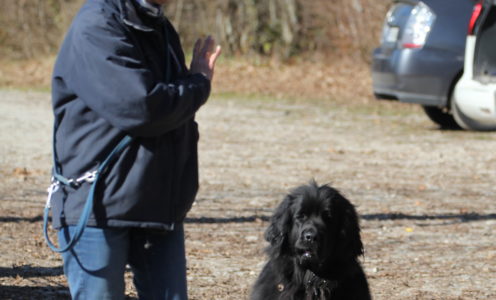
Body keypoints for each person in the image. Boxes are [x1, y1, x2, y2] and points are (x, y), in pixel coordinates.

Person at [49, 0, 221, 298]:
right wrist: (199, 84)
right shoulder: (97, 24)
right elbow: (142, 108)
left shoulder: (158, 25)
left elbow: (174, 113)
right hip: (99, 204)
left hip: (157, 204)